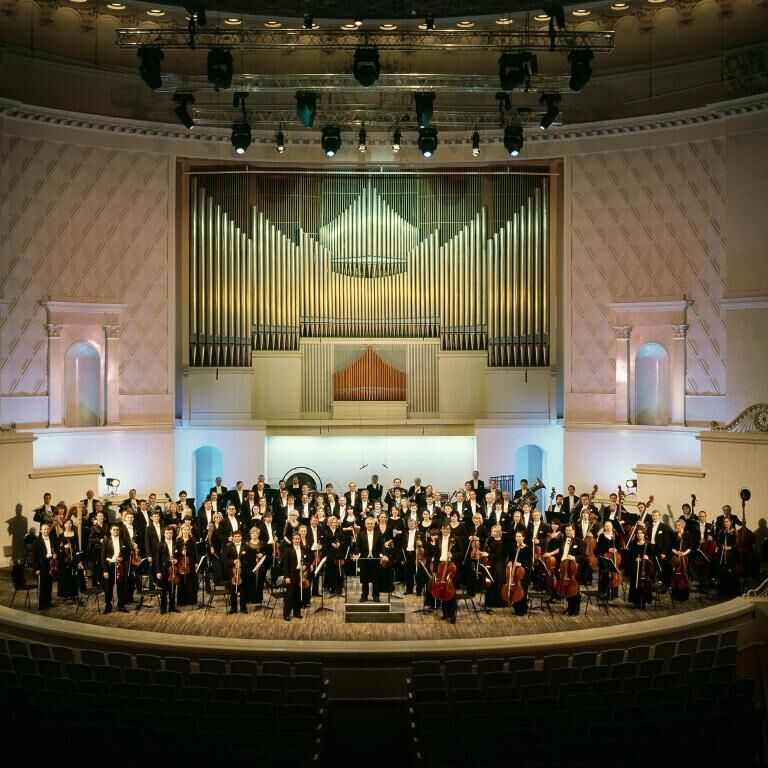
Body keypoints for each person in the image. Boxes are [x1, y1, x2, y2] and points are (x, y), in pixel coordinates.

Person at [431, 522, 461, 623]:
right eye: (443, 529)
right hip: (441, 566)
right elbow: (436, 556)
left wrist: (453, 555)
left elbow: (461, 552)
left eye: (447, 529)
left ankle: (452, 615)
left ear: (450, 530)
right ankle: (445, 613)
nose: (445, 530)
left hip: (451, 568)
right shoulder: (438, 539)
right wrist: (434, 571)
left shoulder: (455, 539)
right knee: (442, 591)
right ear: (441, 530)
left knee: (451, 592)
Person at [355, 516, 383, 603]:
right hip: (364, 559)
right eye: (368, 524)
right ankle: (364, 595)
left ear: (374, 525)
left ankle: (376, 595)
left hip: (375, 559)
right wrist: (357, 555)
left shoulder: (379, 533)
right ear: (365, 524)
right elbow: (357, 546)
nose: (370, 525)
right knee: (364, 579)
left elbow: (382, 546)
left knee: (376, 579)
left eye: (371, 524)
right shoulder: (360, 534)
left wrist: (383, 555)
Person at [102, 523, 129, 613]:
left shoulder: (123, 540)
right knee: (108, 587)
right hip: (109, 566)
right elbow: (103, 556)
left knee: (121, 586)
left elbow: (127, 553)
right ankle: (108, 606)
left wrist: (122, 558)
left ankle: (121, 605)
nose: (116, 531)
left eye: (117, 530)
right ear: (110, 531)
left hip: (120, 566)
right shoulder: (106, 541)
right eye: (114, 530)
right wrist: (105, 570)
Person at [282, 530, 308, 621]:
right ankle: (286, 614)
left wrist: (305, 566)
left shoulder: (303, 549)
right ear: (292, 540)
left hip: (300, 574)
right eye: (295, 539)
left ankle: (297, 613)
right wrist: (287, 577)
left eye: (298, 539)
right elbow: (285, 565)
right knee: (290, 595)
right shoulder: (287, 550)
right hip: (291, 574)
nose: (297, 540)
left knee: (298, 594)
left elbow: (306, 561)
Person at [155, 526, 180, 614]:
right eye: (167, 533)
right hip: (164, 570)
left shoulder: (176, 543)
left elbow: (179, 556)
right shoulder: (160, 544)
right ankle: (163, 608)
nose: (169, 535)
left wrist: (176, 560)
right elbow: (157, 559)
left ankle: (172, 607)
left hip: (173, 570)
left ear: (173, 534)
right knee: (164, 590)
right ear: (164, 534)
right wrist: (158, 571)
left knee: (173, 589)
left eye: (170, 533)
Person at [223, 529, 247, 614]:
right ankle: (233, 608)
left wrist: (241, 563)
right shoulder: (229, 546)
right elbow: (225, 559)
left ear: (241, 537)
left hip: (242, 571)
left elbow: (248, 559)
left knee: (243, 590)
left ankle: (243, 608)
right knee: (233, 591)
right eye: (235, 536)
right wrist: (233, 561)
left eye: (238, 536)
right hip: (232, 572)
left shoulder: (245, 546)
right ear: (233, 537)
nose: (237, 538)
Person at [57, 517, 81, 602]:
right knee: (65, 576)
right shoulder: (61, 535)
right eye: (67, 523)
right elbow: (57, 547)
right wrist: (64, 546)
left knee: (73, 576)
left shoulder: (75, 534)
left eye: (70, 523)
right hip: (64, 559)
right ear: (64, 525)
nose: (69, 525)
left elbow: (78, 546)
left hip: (73, 557)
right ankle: (66, 594)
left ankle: (73, 594)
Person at [33, 522, 57, 610]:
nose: (46, 531)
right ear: (41, 531)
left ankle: (48, 602)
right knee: (42, 584)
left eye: (48, 529)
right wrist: (37, 568)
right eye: (44, 529)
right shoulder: (36, 541)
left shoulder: (52, 539)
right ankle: (41, 604)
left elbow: (54, 550)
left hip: (50, 563)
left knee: (49, 583)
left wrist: (55, 555)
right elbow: (34, 557)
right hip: (42, 564)